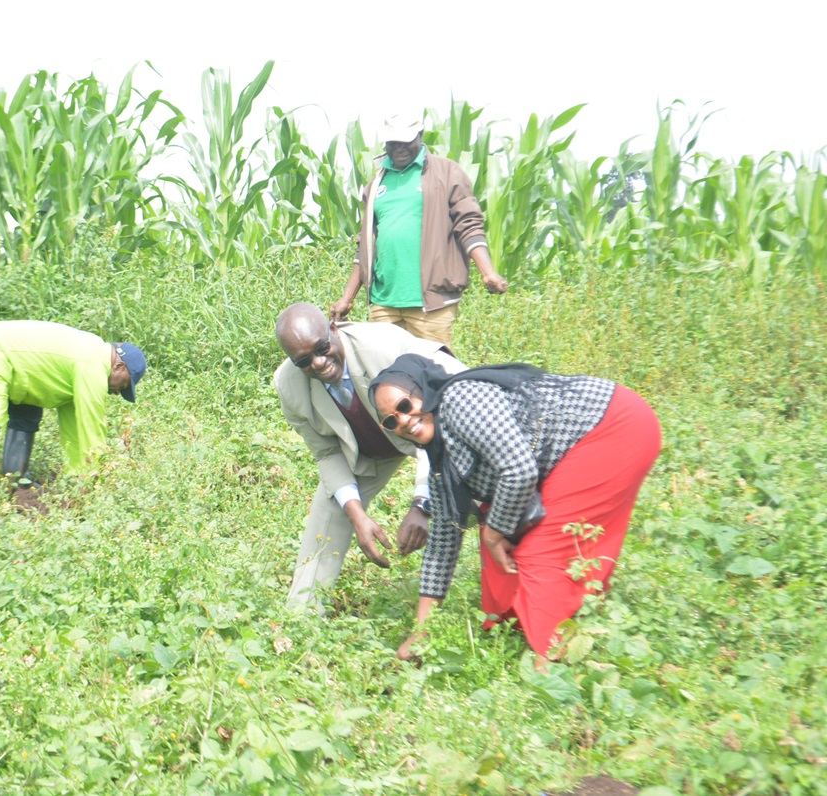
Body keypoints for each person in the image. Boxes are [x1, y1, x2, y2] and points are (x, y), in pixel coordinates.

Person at [368, 355, 662, 670]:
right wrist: (421, 631)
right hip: (559, 457)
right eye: (390, 421)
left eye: (404, 405)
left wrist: (497, 533)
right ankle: (520, 626)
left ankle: (548, 668)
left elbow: (519, 471)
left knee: (542, 551)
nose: (403, 420)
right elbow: (443, 539)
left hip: (609, 429)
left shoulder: (460, 399)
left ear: (424, 391)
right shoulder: (439, 452)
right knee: (496, 534)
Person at [273, 303, 466, 609]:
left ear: (334, 329)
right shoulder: (289, 386)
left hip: (435, 423)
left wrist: (422, 504)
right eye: (304, 361)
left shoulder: (385, 347)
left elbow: (441, 416)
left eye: (322, 348)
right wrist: (357, 515)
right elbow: (326, 452)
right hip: (368, 450)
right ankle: (301, 618)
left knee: (483, 492)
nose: (319, 363)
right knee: (333, 508)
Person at [330, 113, 508, 345]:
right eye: (393, 143)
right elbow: (364, 246)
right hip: (384, 304)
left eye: (406, 141)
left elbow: (469, 225)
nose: (399, 148)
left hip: (431, 305)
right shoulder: (377, 183)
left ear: (420, 136)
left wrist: (488, 271)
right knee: (385, 375)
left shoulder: (447, 173)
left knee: (433, 375)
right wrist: (347, 298)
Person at [0, 320, 146, 509]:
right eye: (123, 385)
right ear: (118, 365)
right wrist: (101, 483)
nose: (117, 392)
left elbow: (76, 432)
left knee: (28, 413)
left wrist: (80, 481)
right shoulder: (93, 362)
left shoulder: (88, 355)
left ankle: (16, 483)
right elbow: (93, 428)